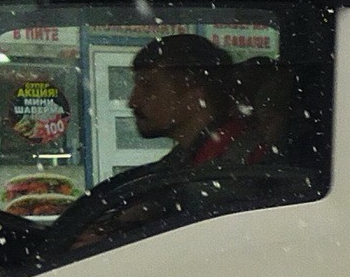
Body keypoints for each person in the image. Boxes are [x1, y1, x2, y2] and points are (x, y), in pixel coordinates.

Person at [44, 33, 263, 253]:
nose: (132, 101)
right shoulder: (187, 159)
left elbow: (195, 236)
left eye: (148, 88)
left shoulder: (237, 160)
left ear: (195, 97)